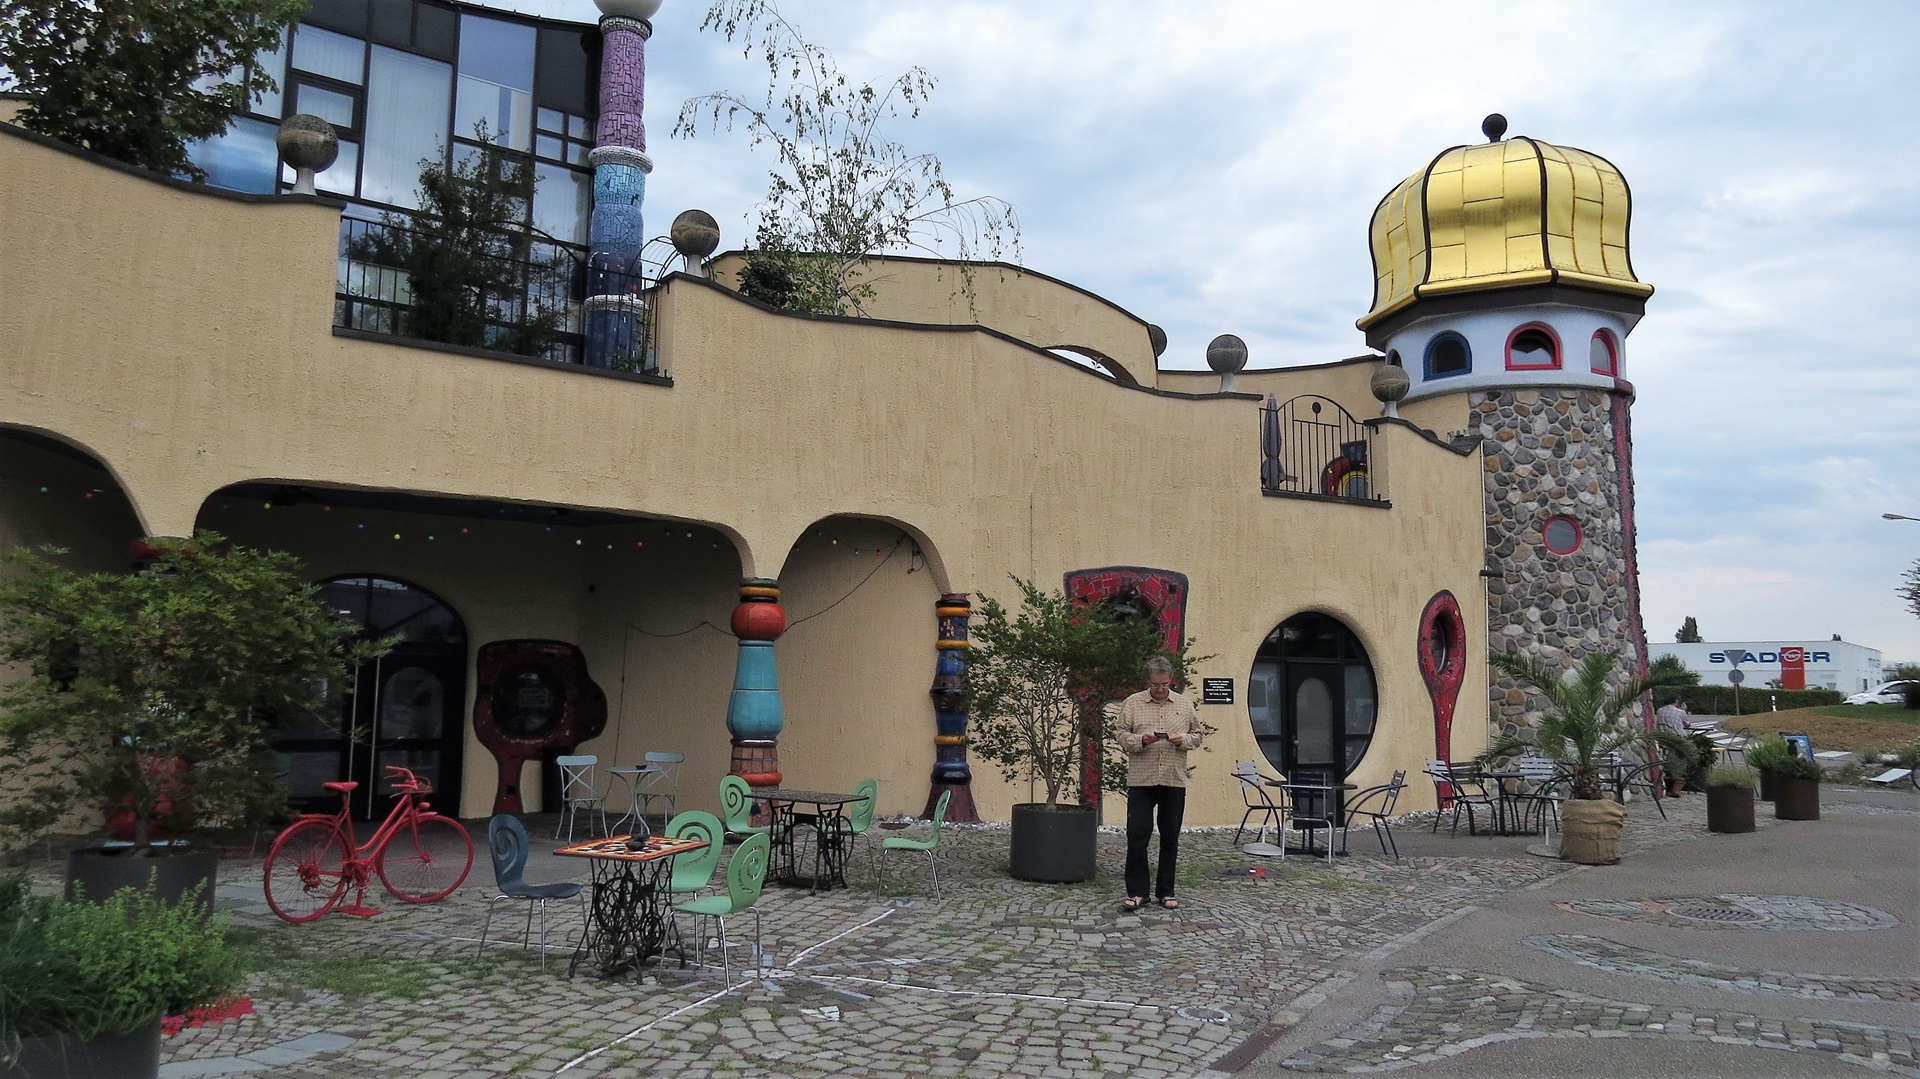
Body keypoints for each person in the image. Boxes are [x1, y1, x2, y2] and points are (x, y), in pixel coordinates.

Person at [1117, 656, 1204, 912]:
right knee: (1137, 834)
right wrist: (1141, 740)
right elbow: (1120, 735)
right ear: (1149, 681)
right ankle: (1137, 892)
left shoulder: (1184, 704)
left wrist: (1183, 740)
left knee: (1170, 837)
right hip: (1141, 779)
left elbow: (1198, 735)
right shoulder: (1133, 703)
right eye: (1156, 685)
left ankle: (1166, 891)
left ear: (1171, 681)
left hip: (1172, 779)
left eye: (1165, 684)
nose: (1160, 689)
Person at [1654, 696, 1691, 796]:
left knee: (1666, 760)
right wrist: (1684, 710)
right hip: (1677, 740)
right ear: (1676, 701)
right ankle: (1676, 789)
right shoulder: (1680, 712)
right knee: (1682, 762)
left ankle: (1666, 784)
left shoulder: (1659, 710)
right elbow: (1687, 724)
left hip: (1663, 740)